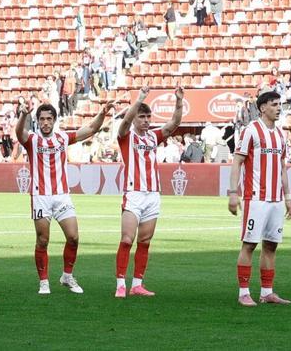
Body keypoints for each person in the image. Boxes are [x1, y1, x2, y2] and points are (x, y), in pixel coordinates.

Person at [17, 102, 112, 295]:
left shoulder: (63, 138)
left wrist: (102, 113)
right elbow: (20, 134)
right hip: (40, 195)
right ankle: (44, 282)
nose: (45, 123)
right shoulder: (32, 140)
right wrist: (23, 115)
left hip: (62, 196)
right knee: (43, 240)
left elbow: (92, 128)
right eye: (42, 119)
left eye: (49, 119)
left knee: (73, 237)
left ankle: (67, 276)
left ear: (54, 120)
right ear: (37, 121)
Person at [229, 91, 291, 307]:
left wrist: (288, 198)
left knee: (271, 246)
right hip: (256, 198)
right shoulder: (251, 131)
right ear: (262, 108)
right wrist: (233, 193)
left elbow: (282, 168)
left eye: (280, 104)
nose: (279, 108)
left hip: (276, 200)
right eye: (274, 104)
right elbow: (237, 162)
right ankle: (243, 293)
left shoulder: (279, 134)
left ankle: (267, 292)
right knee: (249, 244)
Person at [115, 86, 183, 298]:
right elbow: (124, 123)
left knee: (144, 241)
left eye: (147, 116)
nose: (145, 120)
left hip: (152, 194)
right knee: (127, 239)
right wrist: (140, 98)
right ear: (134, 118)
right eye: (141, 117)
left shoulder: (153, 137)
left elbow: (174, 124)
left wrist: (179, 101)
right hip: (134, 192)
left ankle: (137, 284)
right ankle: (120, 284)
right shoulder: (126, 136)